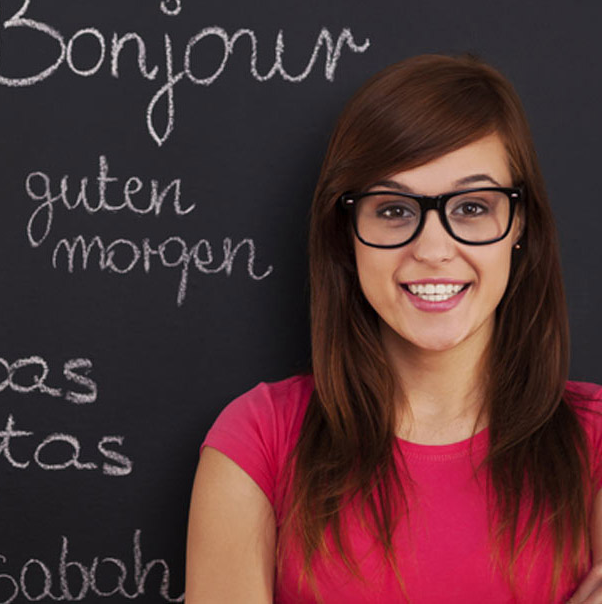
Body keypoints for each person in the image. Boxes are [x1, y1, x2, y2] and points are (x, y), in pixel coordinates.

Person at [185, 53, 602, 603]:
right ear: (346, 231)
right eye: (394, 210)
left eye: (473, 206)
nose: (432, 249)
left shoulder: (594, 444)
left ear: (518, 224)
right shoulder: (257, 442)